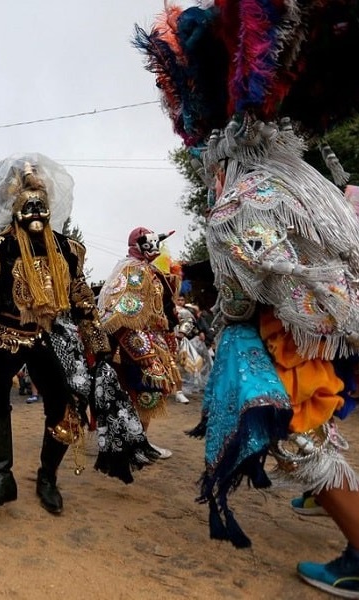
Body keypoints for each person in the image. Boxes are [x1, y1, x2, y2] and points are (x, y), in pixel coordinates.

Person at [135, 3, 359, 596]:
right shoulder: (292, 174)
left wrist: (232, 309)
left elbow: (257, 285)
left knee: (307, 438)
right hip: (305, 328)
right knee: (313, 436)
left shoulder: (247, 191)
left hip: (287, 335)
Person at [0, 153, 116, 515]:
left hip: (49, 335)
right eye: (26, 206)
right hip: (5, 334)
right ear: (13, 209)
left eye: (40, 206)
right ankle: (1, 478)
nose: (35, 212)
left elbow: (81, 299)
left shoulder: (66, 248)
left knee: (65, 403)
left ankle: (48, 476)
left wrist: (98, 344)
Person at [96, 227, 182, 459]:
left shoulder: (141, 269)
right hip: (134, 341)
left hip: (142, 339)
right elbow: (121, 308)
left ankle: (133, 442)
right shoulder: (134, 270)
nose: (155, 248)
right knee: (142, 389)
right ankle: (134, 444)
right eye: (149, 243)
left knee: (141, 391)